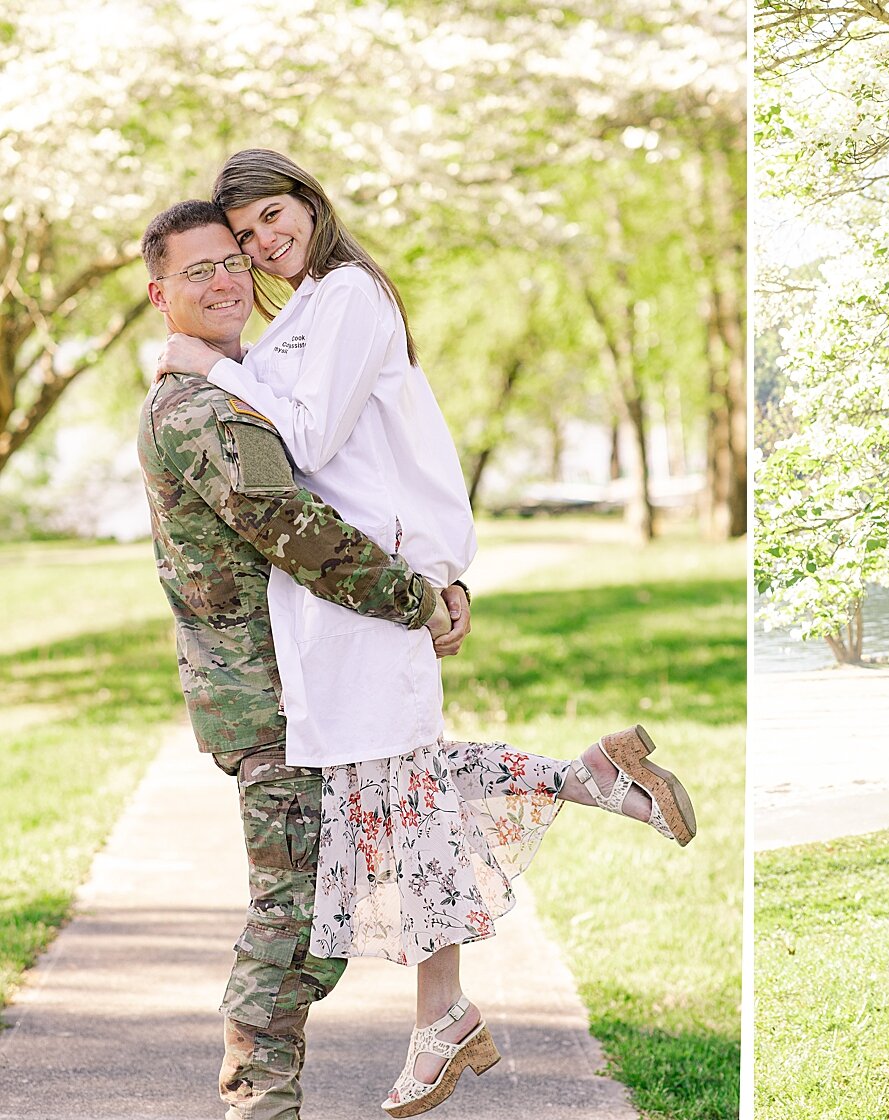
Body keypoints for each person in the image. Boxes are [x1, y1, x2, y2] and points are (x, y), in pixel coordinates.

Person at [155, 152, 696, 1118]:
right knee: (400, 782)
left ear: (312, 204)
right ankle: (578, 794)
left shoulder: (350, 295)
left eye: (270, 221)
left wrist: (213, 366)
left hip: (361, 593)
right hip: (350, 601)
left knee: (395, 786)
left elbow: (310, 450)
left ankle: (440, 1009)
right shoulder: (307, 313)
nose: (256, 250)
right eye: (237, 241)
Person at [137, 199, 468, 1120]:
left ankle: (592, 777)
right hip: (271, 702)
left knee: (349, 876)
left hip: (305, 690)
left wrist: (439, 575)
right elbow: (296, 528)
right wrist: (417, 598)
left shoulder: (233, 382)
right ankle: (258, 1106)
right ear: (159, 292)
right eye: (196, 270)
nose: (223, 278)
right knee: (293, 932)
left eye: (232, 259)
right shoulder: (201, 409)